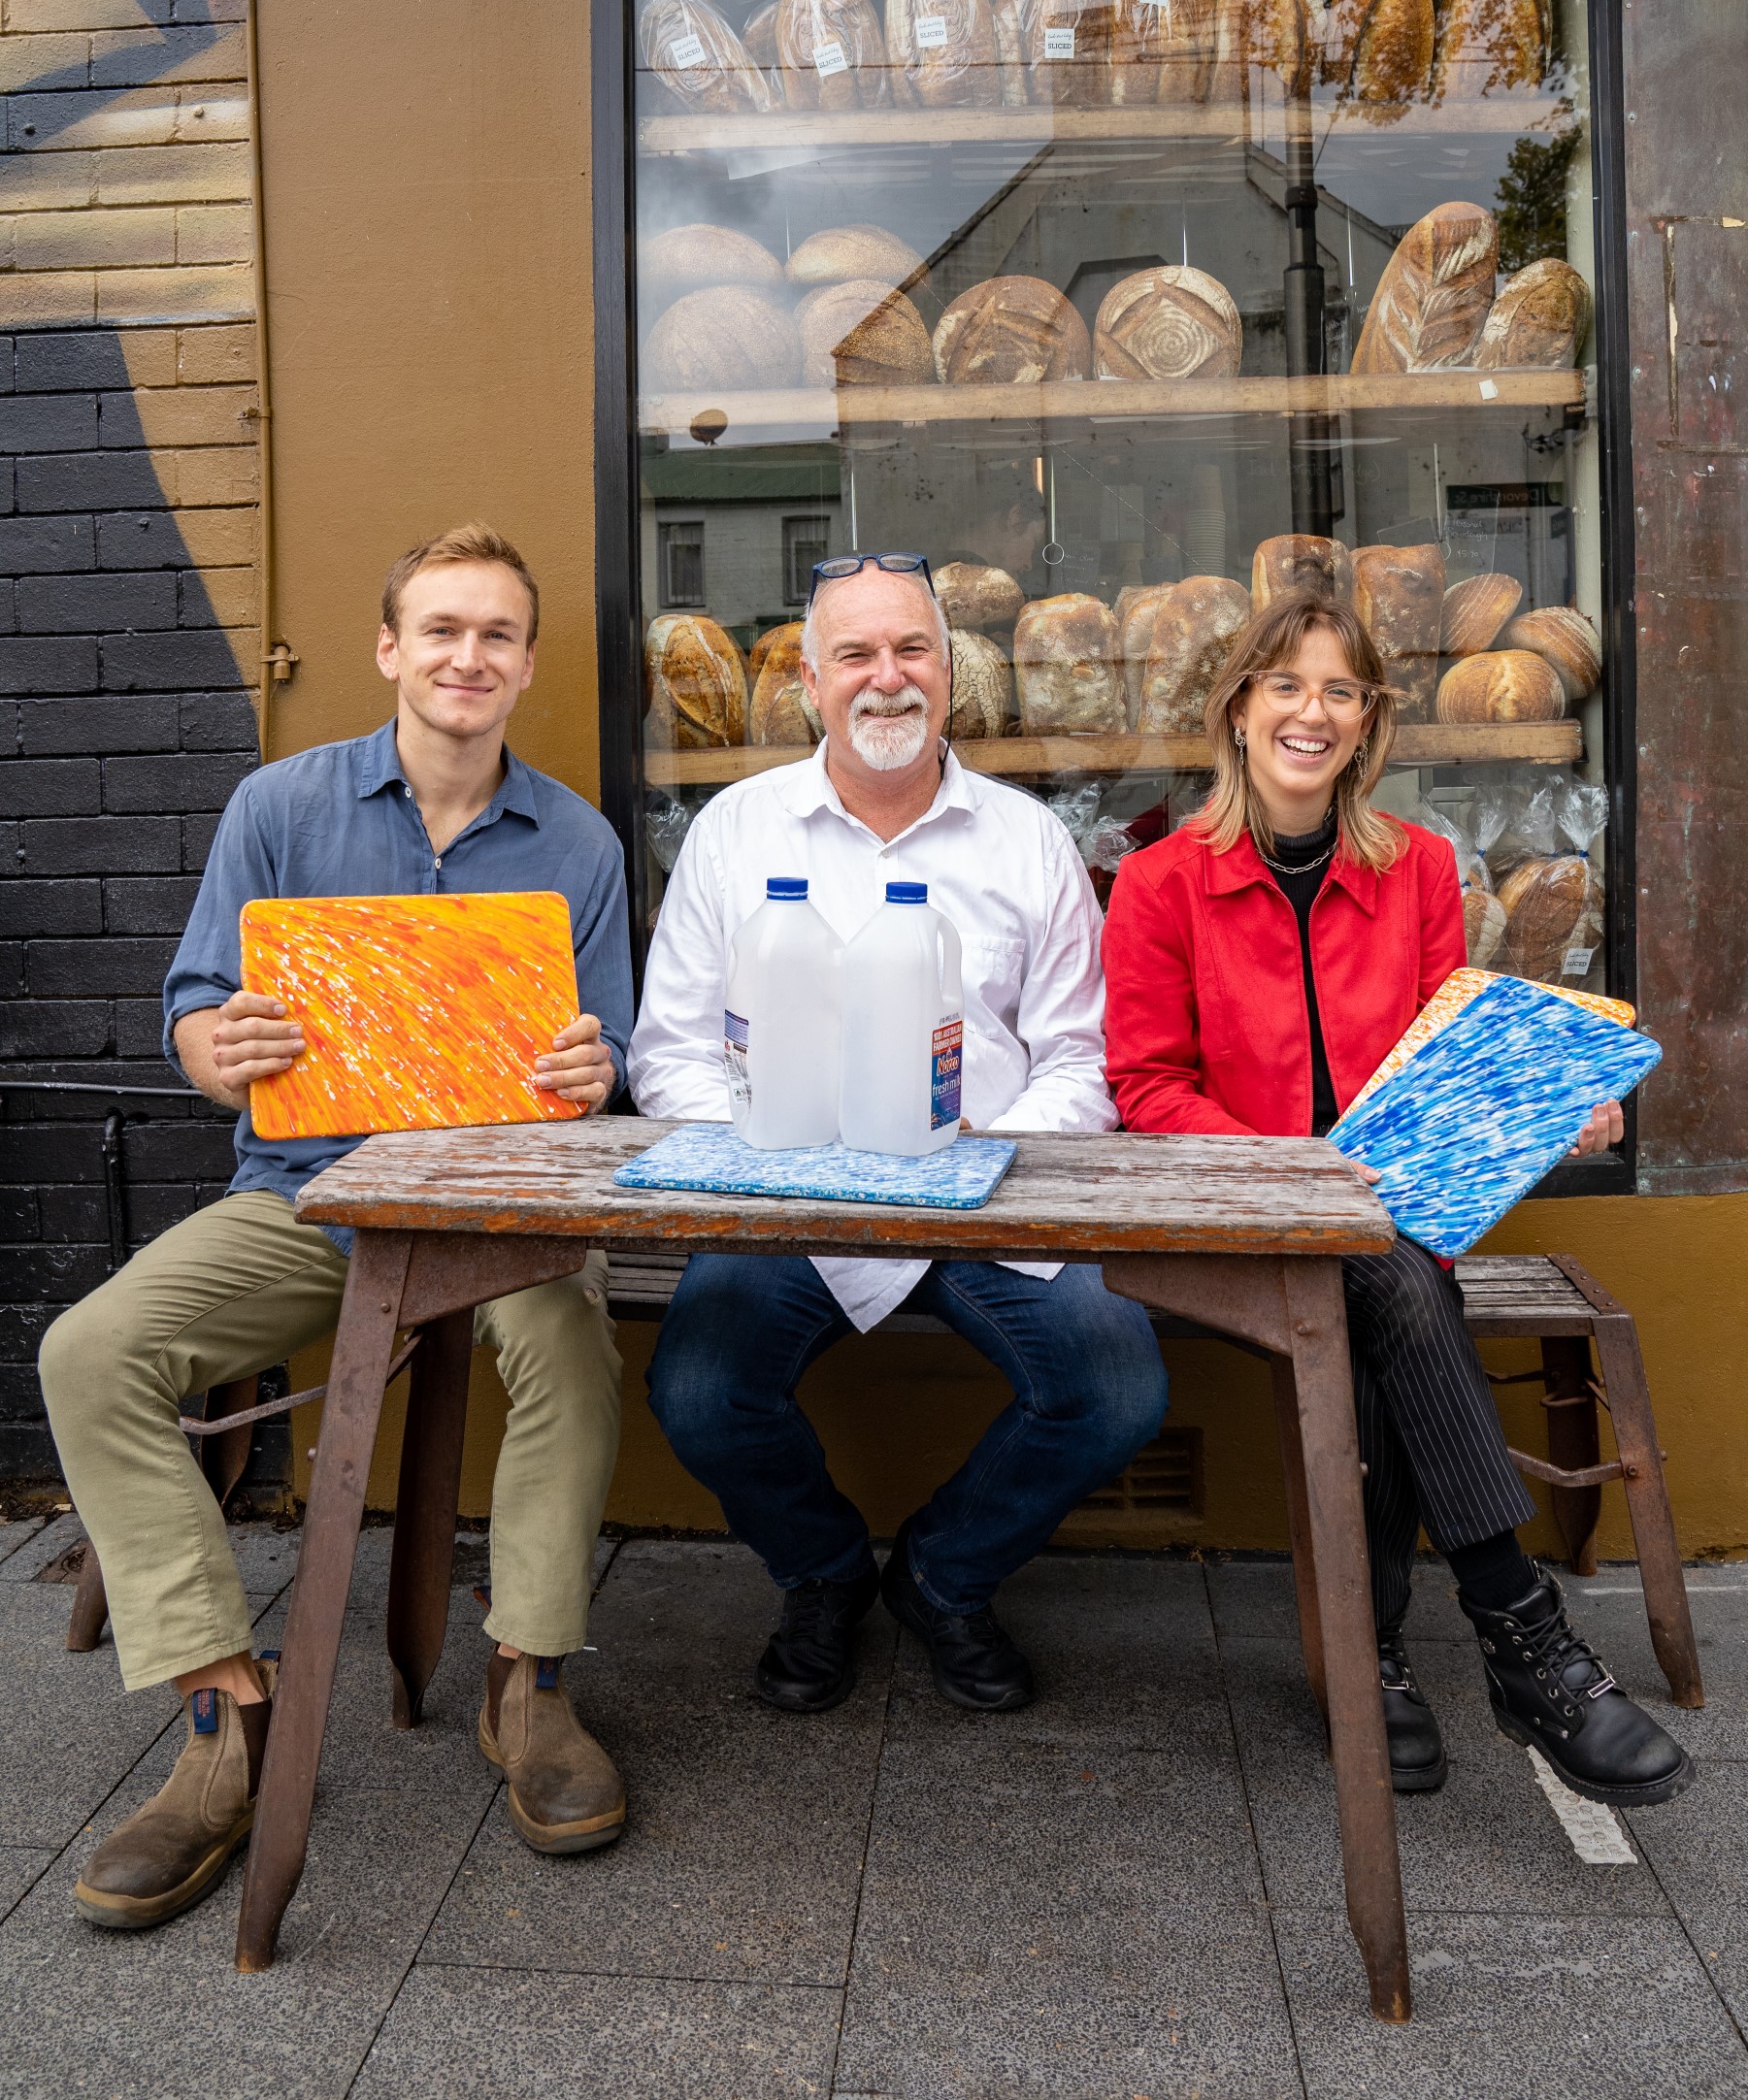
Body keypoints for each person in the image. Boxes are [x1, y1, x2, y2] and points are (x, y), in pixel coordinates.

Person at [40, 523, 637, 1930]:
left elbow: (622, 1068)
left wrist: (597, 1073)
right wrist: (216, 1043)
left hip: (508, 1200)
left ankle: (528, 1679)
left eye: (495, 634)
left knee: (569, 1341)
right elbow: (192, 1006)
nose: (467, 656)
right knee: (89, 1349)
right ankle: (219, 1712)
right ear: (389, 650)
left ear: (527, 664)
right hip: (306, 1200)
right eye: (440, 630)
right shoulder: (279, 808)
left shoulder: (581, 841)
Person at [1101, 593, 1691, 1808]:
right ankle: (1521, 1637)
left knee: (1385, 1283)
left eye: (1340, 691)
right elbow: (1145, 1086)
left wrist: (1551, 1105)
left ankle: (1375, 1656)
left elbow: (1452, 1058)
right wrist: (1295, 1171)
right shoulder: (1159, 880)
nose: (1310, 712)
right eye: (1285, 685)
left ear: (1367, 724)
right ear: (1238, 709)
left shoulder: (1419, 867)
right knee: (1389, 1274)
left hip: (1392, 1219)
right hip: (1239, 1213)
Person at [630, 552, 1168, 1715]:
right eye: (858, 656)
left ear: (947, 673)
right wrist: (779, 1140)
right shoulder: (733, 832)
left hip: (988, 1195)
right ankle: (822, 1575)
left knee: (1114, 1387)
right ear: (813, 682)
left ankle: (942, 1574)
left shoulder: (1024, 838)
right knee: (701, 1389)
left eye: (912, 650)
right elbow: (665, 1055)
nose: (888, 679)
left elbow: (1083, 1056)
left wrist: (992, 1143)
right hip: (787, 1201)